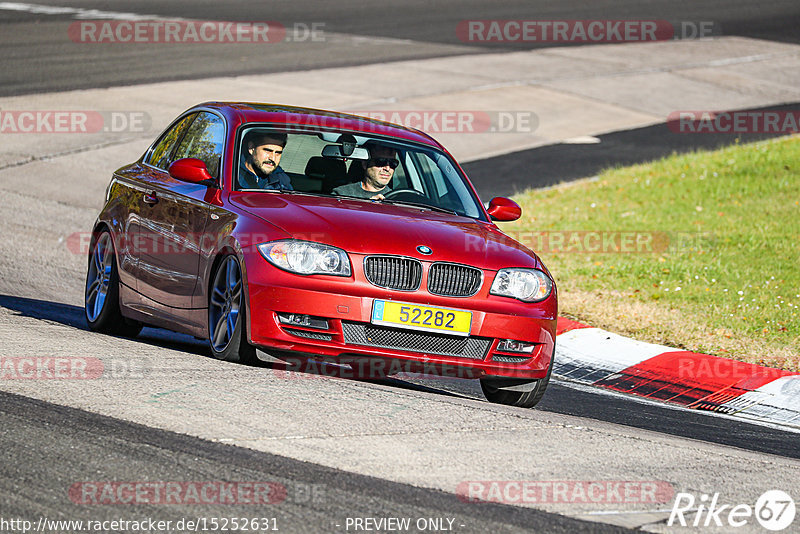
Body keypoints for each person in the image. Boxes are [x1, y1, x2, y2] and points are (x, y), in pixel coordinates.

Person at [332, 143, 398, 200]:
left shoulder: (397, 199)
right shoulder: (342, 194)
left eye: (393, 163)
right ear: (365, 164)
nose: (387, 168)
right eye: (381, 162)